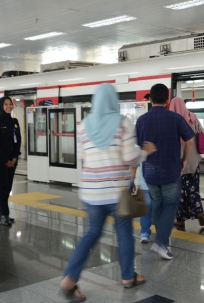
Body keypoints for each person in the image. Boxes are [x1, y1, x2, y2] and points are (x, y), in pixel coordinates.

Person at [60, 84, 156, 302]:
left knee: (91, 234)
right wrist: (146, 152)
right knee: (123, 234)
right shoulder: (123, 124)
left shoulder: (83, 125)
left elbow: (82, 157)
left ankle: (69, 279)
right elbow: (131, 157)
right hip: (116, 192)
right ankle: (127, 277)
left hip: (92, 192)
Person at [136, 83, 195, 260]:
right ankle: (161, 242)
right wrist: (184, 159)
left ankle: (162, 242)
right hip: (171, 171)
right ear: (168, 100)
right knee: (170, 205)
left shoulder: (141, 120)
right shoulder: (176, 118)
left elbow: (139, 147)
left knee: (158, 205)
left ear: (150, 99)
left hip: (150, 173)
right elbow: (190, 139)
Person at [168, 97, 204, 227]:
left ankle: (180, 219)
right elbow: (201, 134)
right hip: (194, 161)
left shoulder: (172, 120)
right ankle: (199, 211)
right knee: (193, 189)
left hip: (178, 161)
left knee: (178, 192)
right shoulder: (194, 118)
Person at [0, 96, 21, 227]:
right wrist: (5, 161)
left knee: (8, 188)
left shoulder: (14, 122)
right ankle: (4, 214)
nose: (9, 106)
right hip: (0, 162)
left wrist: (14, 158)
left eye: (10, 104)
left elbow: (18, 141)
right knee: (2, 188)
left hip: (12, 161)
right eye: (6, 104)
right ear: (1, 106)